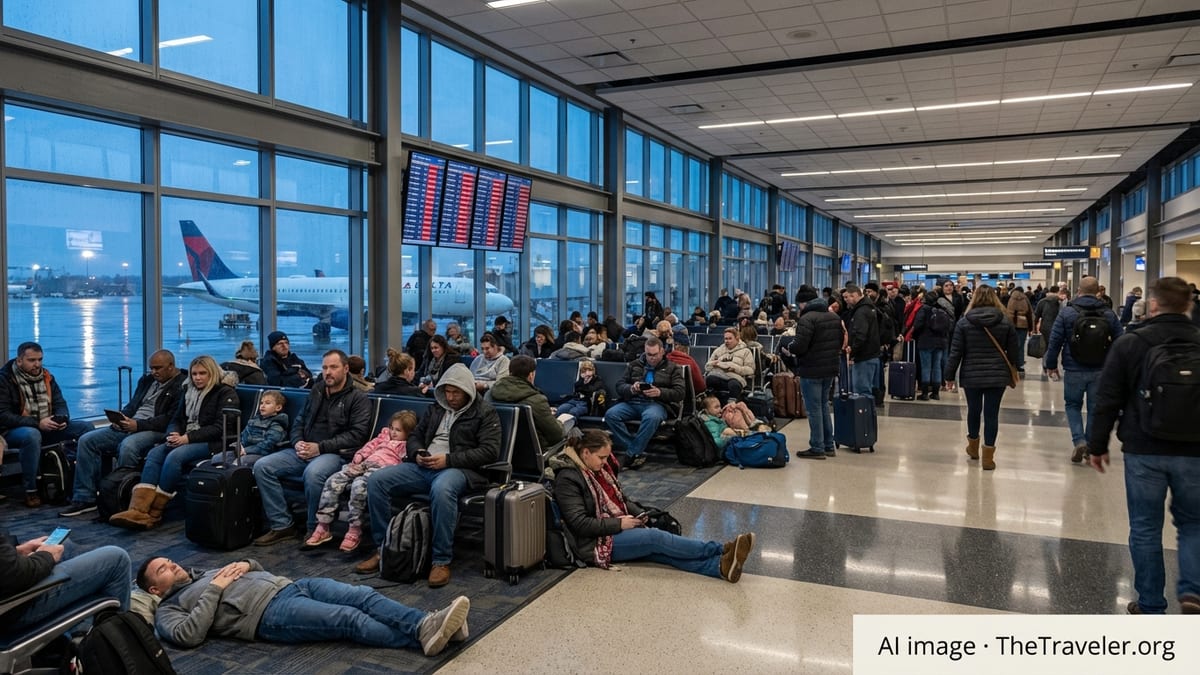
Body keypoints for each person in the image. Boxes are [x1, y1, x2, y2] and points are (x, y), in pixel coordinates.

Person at [1085, 276, 1200, 615]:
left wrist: (1097, 444)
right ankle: (1192, 592)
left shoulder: (1132, 342)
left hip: (1143, 447)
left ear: (1153, 304)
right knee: (1194, 522)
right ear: (1188, 305)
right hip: (1195, 450)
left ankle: (1150, 603)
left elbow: (1107, 398)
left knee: (1145, 527)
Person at [138, 556, 470, 656]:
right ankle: (426, 634)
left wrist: (246, 563)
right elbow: (188, 636)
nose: (173, 565)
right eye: (163, 569)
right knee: (348, 619)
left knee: (361, 594)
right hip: (268, 616)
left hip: (291, 585)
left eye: (169, 561)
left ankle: (427, 624)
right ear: (155, 588)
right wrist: (215, 589)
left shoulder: (202, 571)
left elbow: (254, 565)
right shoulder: (168, 610)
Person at [358, 364, 502, 587]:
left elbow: (489, 451)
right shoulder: (437, 408)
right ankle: (385, 549)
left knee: (442, 489)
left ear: (468, 391)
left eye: (456, 392)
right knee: (377, 481)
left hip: (459, 469)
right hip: (424, 465)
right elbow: (416, 435)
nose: (451, 397)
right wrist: (417, 453)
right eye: (447, 392)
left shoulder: (485, 412)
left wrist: (448, 459)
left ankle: (441, 560)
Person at [550, 429, 755, 582]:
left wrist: (640, 513)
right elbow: (579, 524)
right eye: (601, 457)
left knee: (659, 552)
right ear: (585, 453)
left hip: (610, 528)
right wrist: (619, 524)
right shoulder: (569, 478)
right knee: (654, 538)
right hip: (592, 543)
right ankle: (720, 549)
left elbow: (621, 499)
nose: (605, 462)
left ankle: (719, 567)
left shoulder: (596, 472)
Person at [253, 350, 374, 546]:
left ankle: (314, 527)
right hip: (304, 448)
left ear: (345, 369)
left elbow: (356, 435)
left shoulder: (358, 398)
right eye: (325, 367)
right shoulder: (316, 391)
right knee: (262, 466)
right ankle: (282, 524)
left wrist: (319, 447)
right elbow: (299, 421)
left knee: (314, 473)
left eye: (333, 367)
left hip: (335, 453)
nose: (328, 372)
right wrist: (297, 441)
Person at [109, 355, 239, 529]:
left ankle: (155, 512)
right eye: (194, 374)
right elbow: (176, 419)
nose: (197, 378)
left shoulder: (225, 393)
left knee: (175, 456)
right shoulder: (188, 391)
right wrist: (173, 433)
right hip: (186, 437)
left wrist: (187, 438)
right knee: (155, 454)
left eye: (202, 373)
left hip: (214, 442)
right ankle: (138, 509)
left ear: (212, 373)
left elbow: (221, 428)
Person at [60, 349, 187, 517]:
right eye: (152, 368)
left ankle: (119, 496)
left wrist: (137, 425)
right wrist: (121, 418)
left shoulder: (182, 385)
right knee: (87, 440)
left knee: (129, 445)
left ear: (171, 366)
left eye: (158, 368)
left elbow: (170, 419)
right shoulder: (147, 380)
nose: (154, 372)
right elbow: (134, 404)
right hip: (132, 423)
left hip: (156, 430)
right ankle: (85, 497)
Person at [0, 342, 96, 507]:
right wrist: (38, 423)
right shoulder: (5, 380)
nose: (37, 364)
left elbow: (60, 403)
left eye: (40, 359)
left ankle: (86, 485)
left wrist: (62, 418)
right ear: (19, 360)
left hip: (46, 424)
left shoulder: (47, 377)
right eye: (32, 360)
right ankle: (31, 489)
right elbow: (3, 416)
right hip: (13, 430)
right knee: (32, 434)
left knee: (86, 428)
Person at [306, 410, 417, 552]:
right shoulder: (383, 437)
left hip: (382, 470)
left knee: (359, 486)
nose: (393, 432)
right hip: (364, 464)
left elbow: (402, 465)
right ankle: (323, 525)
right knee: (333, 481)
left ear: (408, 433)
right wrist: (359, 457)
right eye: (392, 428)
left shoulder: (406, 446)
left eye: (398, 430)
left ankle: (354, 528)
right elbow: (369, 447)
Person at [1044, 276, 1123, 464]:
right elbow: (1121, 341)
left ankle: (1079, 440)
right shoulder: (1108, 313)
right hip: (1100, 369)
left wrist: (1051, 364)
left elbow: (1055, 339)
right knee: (1095, 408)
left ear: (1078, 290)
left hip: (1073, 367)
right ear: (1098, 291)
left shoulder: (1068, 312)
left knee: (1072, 405)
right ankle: (1088, 442)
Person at [944, 286, 1019, 471]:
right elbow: (1014, 351)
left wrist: (949, 376)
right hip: (997, 375)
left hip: (972, 374)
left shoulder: (964, 322)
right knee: (992, 414)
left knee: (974, 410)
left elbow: (955, 352)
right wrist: (1011, 367)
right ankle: (988, 457)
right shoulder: (1005, 321)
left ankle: (973, 447)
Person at [2, 529, 130, 632]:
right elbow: (14, 575)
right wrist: (45, 556)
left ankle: (79, 635)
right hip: (15, 605)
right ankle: (118, 644)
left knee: (63, 545)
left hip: (10, 586)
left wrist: (17, 550)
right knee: (117, 559)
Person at [605, 336, 685, 470]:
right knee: (611, 414)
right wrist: (631, 388)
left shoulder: (673, 368)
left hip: (657, 404)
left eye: (655, 354)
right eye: (649, 354)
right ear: (645, 352)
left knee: (652, 417)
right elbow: (619, 386)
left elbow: (680, 392)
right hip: (633, 401)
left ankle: (631, 454)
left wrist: (660, 392)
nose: (652, 358)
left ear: (662, 352)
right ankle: (635, 451)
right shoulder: (634, 365)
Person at [783, 292, 843, 459]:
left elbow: (800, 345)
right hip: (830, 368)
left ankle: (817, 447)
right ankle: (828, 445)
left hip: (811, 369)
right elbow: (840, 341)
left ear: (804, 304)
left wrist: (789, 347)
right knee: (823, 405)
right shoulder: (834, 317)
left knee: (813, 409)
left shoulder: (807, 319)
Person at [486, 355, 564, 451]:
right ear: (531, 375)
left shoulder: (489, 394)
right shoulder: (536, 400)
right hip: (533, 455)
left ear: (510, 372)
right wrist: (560, 421)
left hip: (499, 453)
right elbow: (557, 436)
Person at [910, 290, 952, 401]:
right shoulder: (942, 310)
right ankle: (936, 393)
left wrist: (915, 334)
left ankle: (924, 393)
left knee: (926, 367)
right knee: (937, 366)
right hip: (940, 342)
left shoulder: (924, 309)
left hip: (926, 341)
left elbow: (917, 325)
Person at [843, 285, 882, 399]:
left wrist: (853, 351)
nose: (846, 300)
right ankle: (868, 416)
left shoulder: (861, 312)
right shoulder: (870, 308)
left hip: (864, 357)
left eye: (848, 297)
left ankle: (864, 416)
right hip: (872, 354)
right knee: (867, 390)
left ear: (854, 295)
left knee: (862, 392)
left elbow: (860, 335)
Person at [704, 327, 755, 404]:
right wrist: (713, 364)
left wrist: (736, 369)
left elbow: (751, 370)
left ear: (737, 338)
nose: (727, 341)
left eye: (730, 338)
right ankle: (712, 404)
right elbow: (707, 366)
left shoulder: (746, 351)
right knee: (710, 379)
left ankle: (731, 406)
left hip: (735, 377)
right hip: (719, 375)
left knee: (733, 384)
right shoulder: (719, 350)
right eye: (725, 339)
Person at [238, 389, 290, 464]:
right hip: (245, 450)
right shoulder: (254, 420)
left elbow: (269, 445)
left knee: (240, 461)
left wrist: (247, 450)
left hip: (263, 454)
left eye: (267, 403)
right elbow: (243, 435)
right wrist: (239, 447)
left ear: (278, 408)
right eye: (261, 403)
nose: (263, 406)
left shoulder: (277, 424)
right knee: (218, 458)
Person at [1006, 287, 1034, 375]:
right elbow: (1030, 313)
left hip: (1013, 325)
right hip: (1024, 324)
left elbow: (1009, 313)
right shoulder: (1025, 299)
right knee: (1021, 346)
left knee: (1012, 345)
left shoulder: (1011, 299)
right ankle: (1021, 365)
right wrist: (1031, 328)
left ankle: (1012, 364)